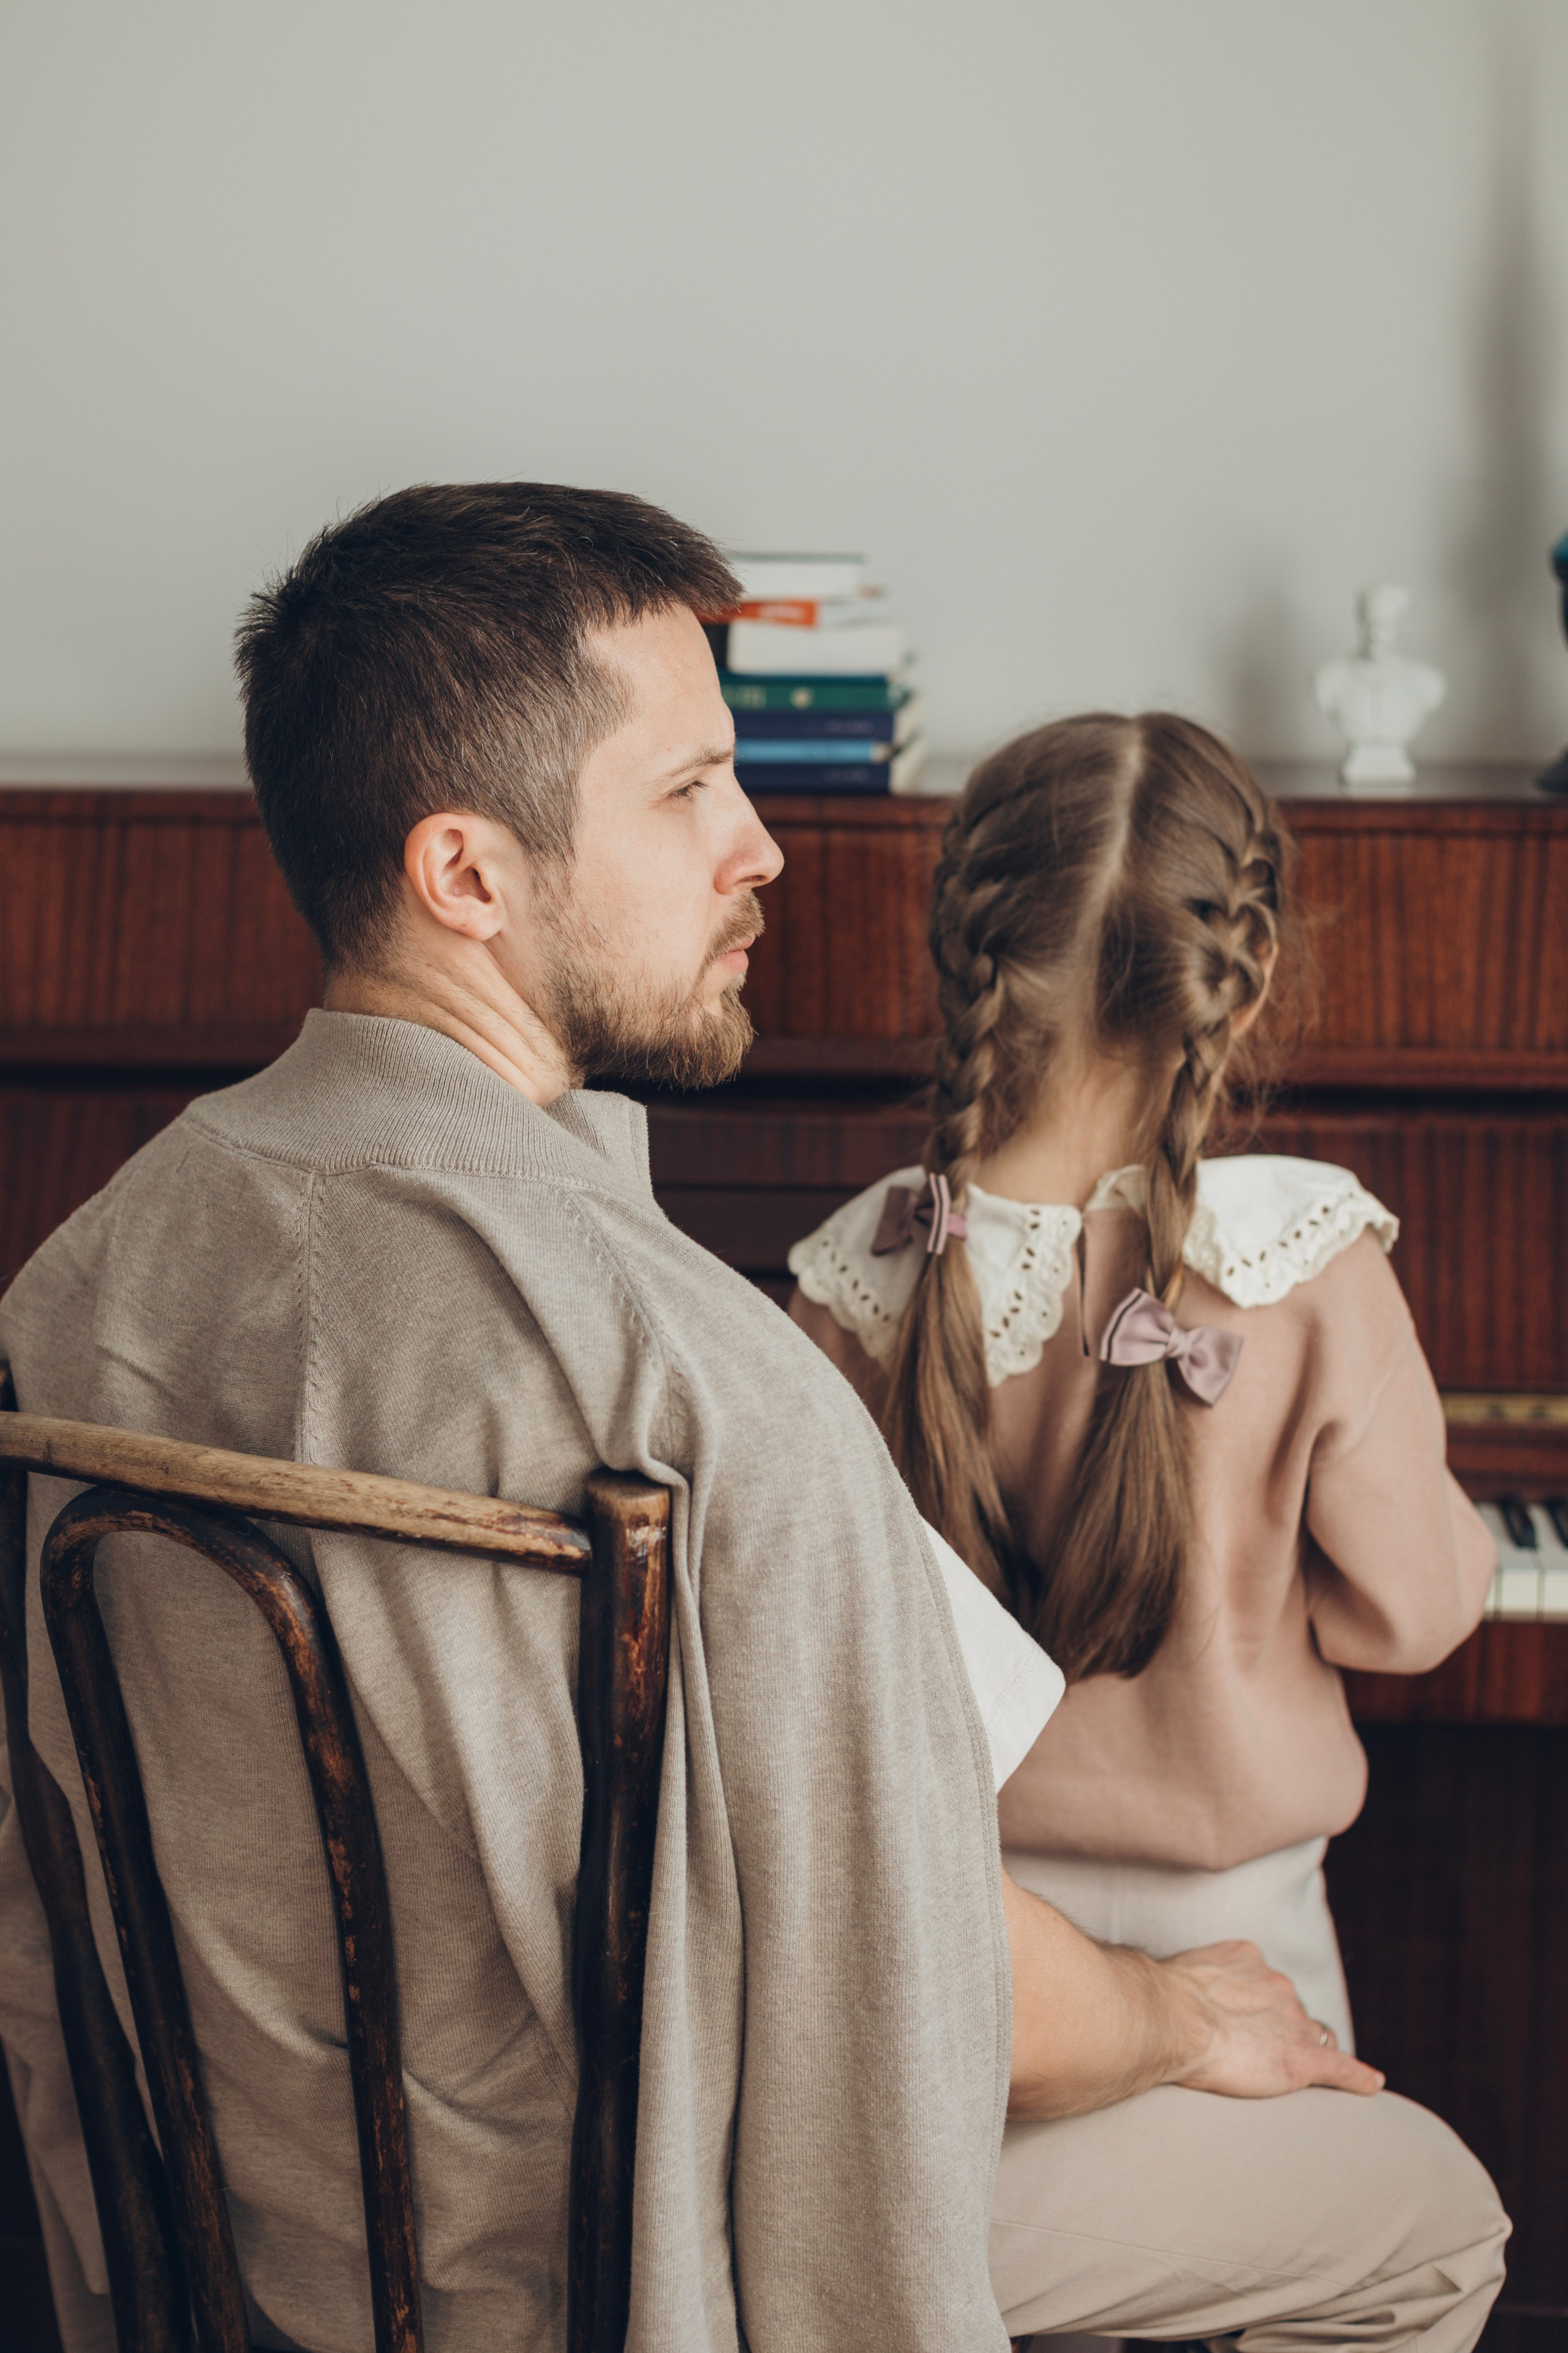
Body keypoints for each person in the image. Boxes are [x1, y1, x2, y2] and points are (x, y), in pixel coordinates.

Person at [0, 493, 1504, 2353]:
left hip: (249, 2208)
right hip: (618, 2237)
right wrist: (1179, 2011)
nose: (768, 848)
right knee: (1428, 2208)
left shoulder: (85, 1276)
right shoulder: (701, 1382)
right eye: (690, 788)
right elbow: (918, 1972)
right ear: (468, 873)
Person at [789, 710, 1496, 2062]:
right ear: (1245, 971)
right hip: (1248, 1942)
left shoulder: (861, 1268)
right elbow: (1413, 1614)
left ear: (966, 957)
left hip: (969, 1954)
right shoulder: (1304, 1260)